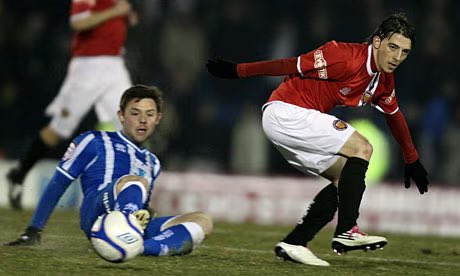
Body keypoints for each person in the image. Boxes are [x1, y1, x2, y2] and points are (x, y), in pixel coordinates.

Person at [207, 13, 429, 266]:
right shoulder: (344, 56)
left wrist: (412, 160)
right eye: (393, 47)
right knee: (363, 146)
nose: (397, 57)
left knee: (343, 179)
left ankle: (296, 242)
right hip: (286, 111)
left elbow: (395, 117)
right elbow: (291, 64)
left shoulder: (383, 81)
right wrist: (238, 71)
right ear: (377, 42)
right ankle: (347, 231)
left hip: (291, 122)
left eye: (404, 52)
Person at [6, 85, 213, 258]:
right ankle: (119, 234)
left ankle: (136, 247)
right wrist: (33, 230)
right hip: (96, 214)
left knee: (203, 221)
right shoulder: (94, 141)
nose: (143, 120)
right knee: (136, 182)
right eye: (135, 113)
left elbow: (140, 203)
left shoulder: (153, 162)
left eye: (149, 114)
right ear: (121, 116)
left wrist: (147, 211)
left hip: (133, 222)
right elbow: (59, 182)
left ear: (158, 119)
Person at [7, 0, 137, 210]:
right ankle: (19, 174)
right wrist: (115, 11)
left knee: (130, 124)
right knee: (58, 128)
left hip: (115, 64)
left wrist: (124, 16)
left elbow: (114, 16)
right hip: (88, 66)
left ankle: (129, 198)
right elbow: (78, 22)